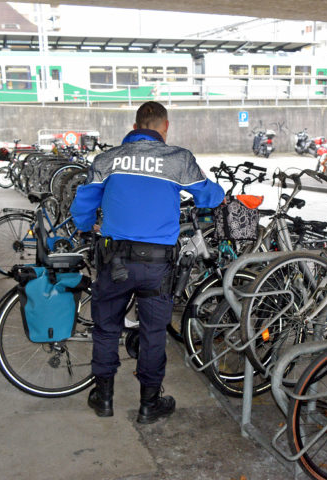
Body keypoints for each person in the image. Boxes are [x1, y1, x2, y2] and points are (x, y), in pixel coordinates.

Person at [70, 101, 225, 424]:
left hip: (114, 260)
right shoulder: (178, 159)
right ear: (164, 126)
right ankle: (148, 403)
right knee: (154, 332)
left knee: (106, 328)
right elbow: (210, 197)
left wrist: (88, 226)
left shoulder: (107, 159)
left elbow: (83, 204)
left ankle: (104, 398)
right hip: (157, 266)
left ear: (135, 124)